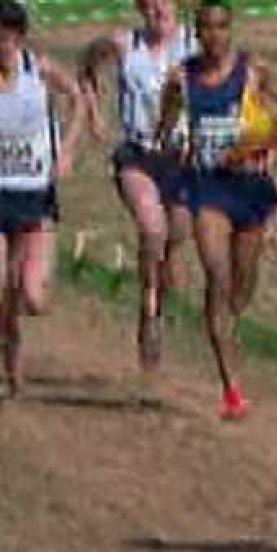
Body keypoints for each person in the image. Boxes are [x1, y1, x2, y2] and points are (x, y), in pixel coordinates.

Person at [155, 0, 277, 419]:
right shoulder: (181, 79)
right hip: (207, 190)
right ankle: (231, 389)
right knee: (217, 277)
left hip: (252, 190)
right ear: (196, 32)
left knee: (243, 286)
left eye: (222, 27)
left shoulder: (253, 72)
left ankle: (226, 325)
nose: (214, 36)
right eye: (206, 28)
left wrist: (266, 140)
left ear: (231, 30)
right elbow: (163, 130)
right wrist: (173, 149)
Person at [78, 0, 196, 371]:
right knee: (151, 228)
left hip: (182, 159)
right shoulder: (124, 44)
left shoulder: (194, 44)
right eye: (150, 3)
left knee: (175, 236)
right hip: (137, 155)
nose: (157, 10)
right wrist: (94, 113)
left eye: (164, 2)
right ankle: (148, 312)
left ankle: (162, 285)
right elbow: (86, 67)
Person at [0, 0, 85, 398]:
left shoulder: (38, 69)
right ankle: (11, 359)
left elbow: (77, 99)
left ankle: (10, 335)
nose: (2, 42)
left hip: (32, 192)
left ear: (19, 37)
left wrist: (66, 149)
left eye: (9, 35)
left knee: (29, 295)